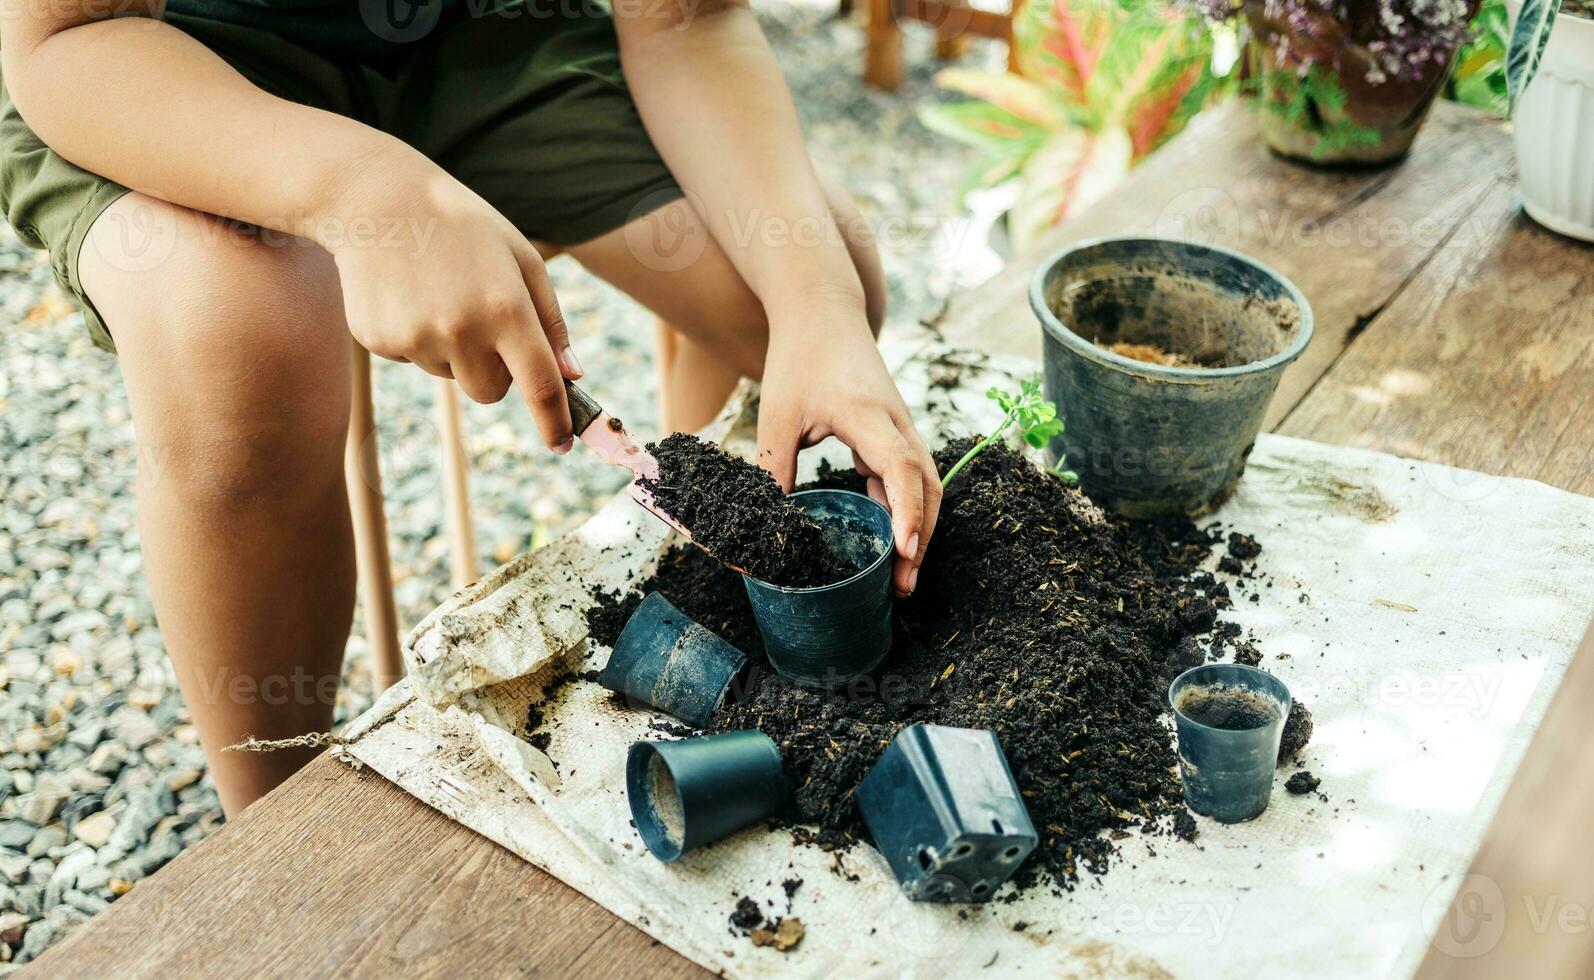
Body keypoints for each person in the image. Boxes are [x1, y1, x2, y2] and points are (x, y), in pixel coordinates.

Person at [0, 0, 942, 815]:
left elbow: (685, 21)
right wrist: (360, 188)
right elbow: (72, 35)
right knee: (241, 340)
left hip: (486, 33)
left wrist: (821, 313)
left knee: (809, 266)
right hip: (163, 55)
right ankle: (277, 827)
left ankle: (703, 606)